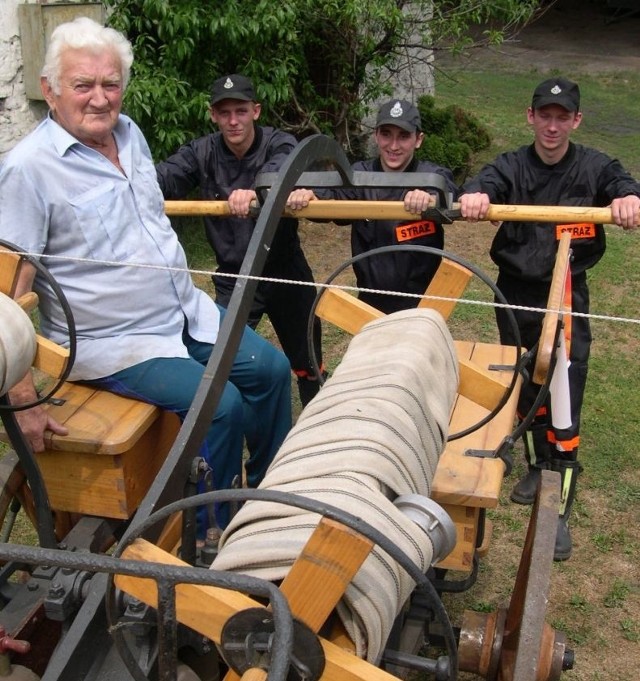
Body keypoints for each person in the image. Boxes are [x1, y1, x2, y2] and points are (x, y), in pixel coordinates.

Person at [0, 17, 292, 530]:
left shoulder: (130, 134)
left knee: (270, 372)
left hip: (184, 312)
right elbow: (5, 297)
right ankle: (211, 540)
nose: (99, 99)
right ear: (50, 90)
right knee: (219, 408)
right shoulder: (28, 168)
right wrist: (22, 402)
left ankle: (266, 504)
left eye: (110, 84)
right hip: (113, 343)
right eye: (82, 85)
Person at [459, 76, 640, 560]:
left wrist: (626, 198)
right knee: (525, 380)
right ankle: (537, 467)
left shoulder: (595, 166)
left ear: (576, 120)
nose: (553, 126)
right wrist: (477, 195)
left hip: (566, 291)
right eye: (545, 116)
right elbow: (483, 183)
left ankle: (556, 511)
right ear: (531, 116)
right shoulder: (512, 165)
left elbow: (623, 184)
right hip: (513, 290)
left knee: (563, 389)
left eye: (563, 118)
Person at [156, 74, 324, 407]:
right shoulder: (200, 151)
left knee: (309, 363)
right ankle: (232, 422)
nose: (233, 121)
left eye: (241, 111)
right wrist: (126, 177)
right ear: (213, 115)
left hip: (284, 270)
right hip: (236, 274)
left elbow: (283, 166)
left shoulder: (279, 142)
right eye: (225, 112)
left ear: (256, 111)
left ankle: (319, 430)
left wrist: (259, 189)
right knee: (222, 360)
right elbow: (166, 177)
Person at [287, 99, 458, 314]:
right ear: (376, 135)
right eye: (386, 134)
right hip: (369, 304)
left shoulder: (432, 176)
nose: (393, 146)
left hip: (423, 306)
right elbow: (333, 196)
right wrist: (311, 195)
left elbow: (449, 191)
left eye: (403, 136)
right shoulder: (359, 176)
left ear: (418, 139)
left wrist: (430, 197)